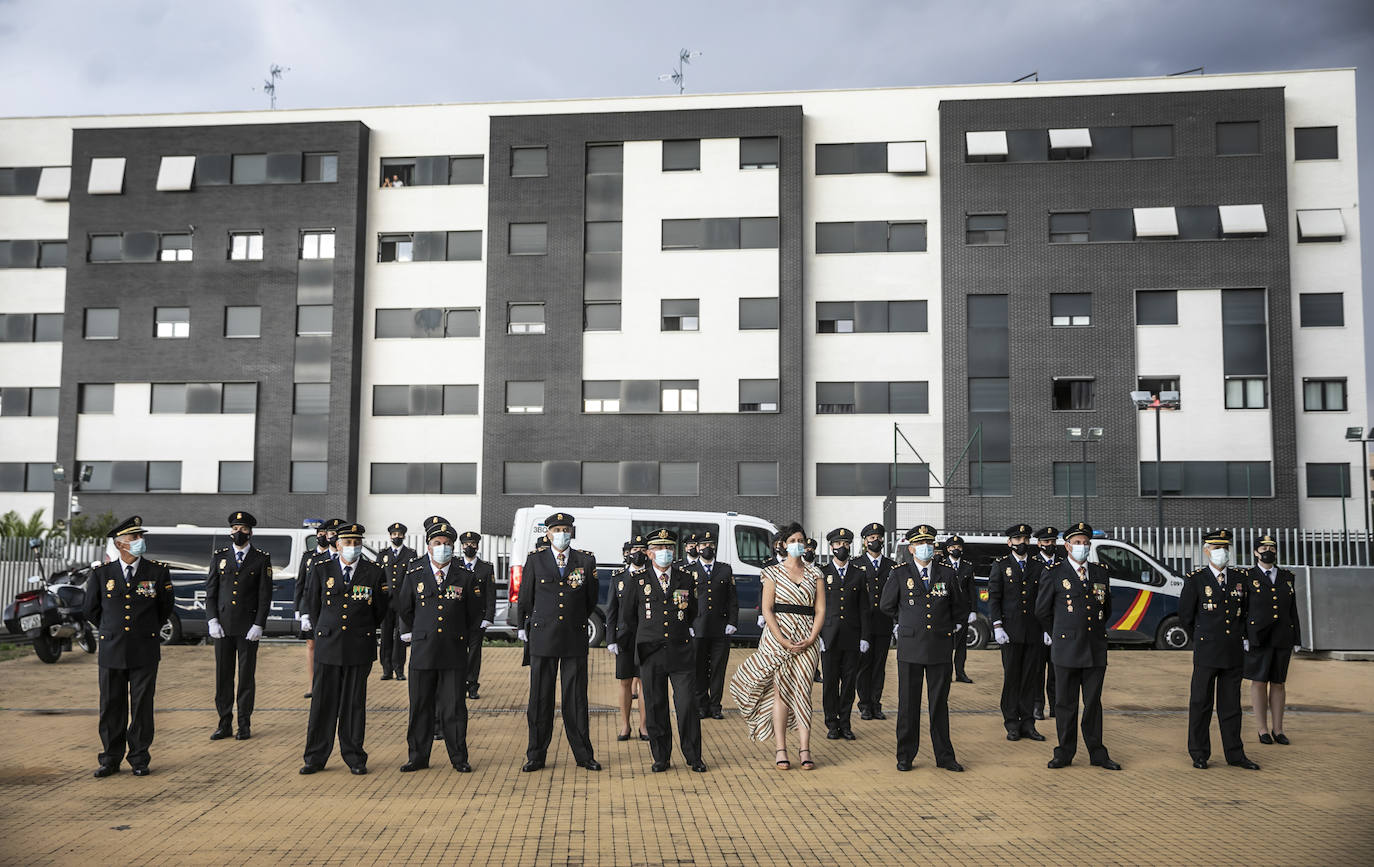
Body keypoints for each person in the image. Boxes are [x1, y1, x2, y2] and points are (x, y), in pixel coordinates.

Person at [729, 522, 824, 771]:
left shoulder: (816, 574)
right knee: (781, 693)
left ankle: (805, 749)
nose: (797, 545)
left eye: (800, 540)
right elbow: (768, 609)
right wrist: (782, 640)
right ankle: (781, 749)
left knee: (804, 692)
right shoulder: (771, 573)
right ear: (782, 545)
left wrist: (813, 637)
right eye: (792, 541)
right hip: (778, 639)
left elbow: (821, 609)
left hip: (807, 638)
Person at [85, 516, 174, 777]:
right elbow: (91, 609)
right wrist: (111, 630)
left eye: (139, 537)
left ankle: (139, 758)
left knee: (142, 706)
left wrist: (145, 630)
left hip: (144, 649)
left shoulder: (157, 571)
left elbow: (164, 608)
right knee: (111, 705)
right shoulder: (102, 573)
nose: (139, 541)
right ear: (120, 544)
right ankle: (110, 759)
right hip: (112, 649)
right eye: (134, 538)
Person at [299, 523, 388, 775]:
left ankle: (355, 757)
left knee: (353, 706)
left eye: (356, 543)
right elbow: (313, 603)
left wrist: (361, 628)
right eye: (347, 543)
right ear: (337, 545)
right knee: (322, 704)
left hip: (358, 646)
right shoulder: (320, 568)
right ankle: (315, 757)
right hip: (328, 645)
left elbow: (379, 609)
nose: (352, 547)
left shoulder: (373, 572)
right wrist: (324, 629)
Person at [395, 521, 483, 772]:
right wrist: (421, 632)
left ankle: (459, 758)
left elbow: (474, 613)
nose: (442, 547)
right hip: (423, 651)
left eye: (447, 544)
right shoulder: (415, 574)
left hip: (453, 651)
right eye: (437, 543)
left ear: (453, 548)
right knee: (420, 706)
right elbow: (404, 608)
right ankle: (418, 757)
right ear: (428, 547)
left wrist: (459, 635)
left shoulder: (464, 576)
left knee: (454, 707)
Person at [517, 512, 601, 772]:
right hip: (543, 636)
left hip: (574, 636)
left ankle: (583, 755)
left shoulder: (585, 560)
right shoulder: (536, 560)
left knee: (576, 698)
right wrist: (523, 627)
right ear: (548, 533)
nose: (562, 534)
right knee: (540, 699)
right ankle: (536, 755)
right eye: (557, 529)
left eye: (566, 529)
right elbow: (526, 598)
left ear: (572, 532)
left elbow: (590, 599)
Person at [880, 524, 967, 772]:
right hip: (910, 646)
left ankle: (945, 756)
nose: (925, 548)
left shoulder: (947, 574)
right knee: (908, 704)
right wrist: (905, 621)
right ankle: (905, 755)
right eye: (919, 544)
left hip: (939, 645)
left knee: (939, 703)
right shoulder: (900, 574)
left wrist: (951, 627)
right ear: (911, 548)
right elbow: (886, 605)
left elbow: (959, 607)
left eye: (929, 543)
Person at [1035, 522, 1120, 770]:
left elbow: (1107, 608)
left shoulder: (1100, 572)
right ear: (1067, 545)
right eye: (1077, 542)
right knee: (1065, 704)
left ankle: (1098, 753)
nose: (1082, 546)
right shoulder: (1054, 573)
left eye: (1085, 542)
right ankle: (1064, 752)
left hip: (1094, 648)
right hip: (1066, 649)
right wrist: (1060, 633)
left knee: (1093, 703)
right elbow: (1042, 611)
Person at [621, 529, 706, 772]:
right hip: (651, 653)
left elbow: (691, 613)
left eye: (669, 548)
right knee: (656, 705)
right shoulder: (637, 581)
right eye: (659, 548)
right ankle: (661, 756)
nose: (665, 553)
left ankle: (693, 756)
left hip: (680, 651)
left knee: (687, 704)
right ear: (649, 553)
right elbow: (628, 619)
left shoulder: (685, 579)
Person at [1178, 530, 1260, 770]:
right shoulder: (1196, 579)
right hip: (1207, 651)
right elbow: (1186, 616)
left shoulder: (1239, 578)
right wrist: (1201, 638)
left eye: (1224, 548)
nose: (1221, 552)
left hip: (1233, 651)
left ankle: (1235, 754)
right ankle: (1199, 753)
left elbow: (1246, 612)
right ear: (1206, 551)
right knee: (1201, 703)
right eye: (1215, 548)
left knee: (1231, 706)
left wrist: (1243, 638)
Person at [205, 511, 273, 741]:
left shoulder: (261, 559)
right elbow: (211, 592)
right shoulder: (219, 556)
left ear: (250, 532)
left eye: (243, 529)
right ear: (230, 531)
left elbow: (265, 596)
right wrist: (212, 619)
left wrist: (259, 624)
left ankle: (244, 724)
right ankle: (224, 723)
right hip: (223, 627)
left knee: (245, 678)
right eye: (235, 528)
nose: (238, 532)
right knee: (223, 677)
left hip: (247, 628)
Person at [988, 524, 1046, 742]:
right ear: (1009, 542)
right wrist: (997, 625)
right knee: (1012, 678)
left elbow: (1044, 598)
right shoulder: (1001, 565)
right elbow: (994, 597)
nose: (1022, 542)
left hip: (1033, 631)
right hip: (1010, 632)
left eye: (1025, 539)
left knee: (1030, 678)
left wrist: (1046, 629)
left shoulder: (1038, 565)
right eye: (1017, 539)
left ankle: (1028, 723)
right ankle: (1012, 723)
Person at [1245, 534, 1301, 746]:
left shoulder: (1288, 577)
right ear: (1255, 552)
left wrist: (1297, 637)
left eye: (1272, 547)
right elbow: (1244, 609)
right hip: (1258, 637)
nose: (1269, 551)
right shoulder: (1247, 576)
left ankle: (1278, 729)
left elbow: (1292, 609)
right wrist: (1244, 636)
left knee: (1278, 682)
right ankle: (1262, 729)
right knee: (1259, 681)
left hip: (1282, 635)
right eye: (1264, 547)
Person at [819, 527, 868, 740]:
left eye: (846, 544)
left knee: (849, 683)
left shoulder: (858, 574)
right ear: (831, 547)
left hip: (851, 636)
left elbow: (864, 609)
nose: (842, 548)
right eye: (838, 544)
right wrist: (817, 635)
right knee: (830, 683)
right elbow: (816, 607)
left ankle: (846, 724)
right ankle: (831, 723)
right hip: (828, 636)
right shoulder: (822, 573)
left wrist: (865, 636)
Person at [690, 529, 738, 721]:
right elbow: (684, 601)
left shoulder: (725, 569)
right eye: (703, 546)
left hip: (720, 627)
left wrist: (732, 622)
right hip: (698, 627)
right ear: (697, 548)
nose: (707, 548)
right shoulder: (689, 571)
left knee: (718, 669)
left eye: (710, 545)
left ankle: (715, 706)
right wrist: (688, 624)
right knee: (699, 668)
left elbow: (732, 598)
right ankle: (701, 705)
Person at [607, 537, 649, 741]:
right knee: (625, 682)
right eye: (635, 549)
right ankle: (625, 726)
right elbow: (611, 610)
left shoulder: (652, 576)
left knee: (644, 682)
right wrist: (610, 639)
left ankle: (644, 726)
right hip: (624, 637)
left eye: (642, 549)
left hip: (647, 637)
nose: (638, 553)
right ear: (628, 553)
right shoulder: (618, 578)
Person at [295, 518, 341, 698]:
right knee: (312, 645)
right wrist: (301, 611)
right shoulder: (312, 558)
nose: (327, 537)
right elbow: (303, 585)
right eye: (324, 534)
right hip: (315, 610)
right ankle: (313, 684)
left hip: (335, 613)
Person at [856, 521, 895, 720]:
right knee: (864, 665)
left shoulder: (892, 566)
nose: (876, 541)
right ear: (865, 542)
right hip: (863, 625)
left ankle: (875, 703)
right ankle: (864, 704)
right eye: (872, 538)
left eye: (879, 538)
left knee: (879, 665)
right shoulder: (857, 565)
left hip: (883, 622)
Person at [453, 531, 496, 700]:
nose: (469, 547)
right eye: (466, 544)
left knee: (474, 653)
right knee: (458, 652)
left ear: (477, 546)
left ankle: (472, 685)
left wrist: (489, 617)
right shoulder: (455, 565)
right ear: (461, 546)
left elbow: (490, 594)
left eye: (472, 544)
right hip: (457, 617)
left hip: (478, 618)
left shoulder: (486, 567)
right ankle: (458, 684)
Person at [377, 522, 415, 681]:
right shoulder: (382, 554)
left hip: (402, 601)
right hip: (386, 602)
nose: (397, 537)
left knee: (401, 636)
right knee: (386, 636)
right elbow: (379, 577)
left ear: (404, 536)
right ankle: (386, 669)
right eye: (394, 534)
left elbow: (412, 577)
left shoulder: (410, 554)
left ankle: (399, 669)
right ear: (390, 536)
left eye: (399, 535)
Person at [1032, 526, 1061, 719]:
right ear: (1039, 543)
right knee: (1037, 670)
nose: (1050, 545)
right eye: (1047, 542)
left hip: (1057, 626)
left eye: (1053, 541)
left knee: (1056, 671)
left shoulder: (1062, 564)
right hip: (1035, 626)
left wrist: (1052, 628)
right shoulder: (1033, 564)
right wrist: (1042, 628)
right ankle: (1037, 705)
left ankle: (1055, 705)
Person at [944, 535, 976, 684]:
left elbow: (971, 590)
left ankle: (960, 672)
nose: (956, 549)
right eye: (953, 547)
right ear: (948, 549)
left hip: (963, 611)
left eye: (959, 547)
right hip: (946, 611)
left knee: (961, 645)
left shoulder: (967, 566)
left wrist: (973, 610)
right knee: (947, 644)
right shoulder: (941, 565)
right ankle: (946, 672)